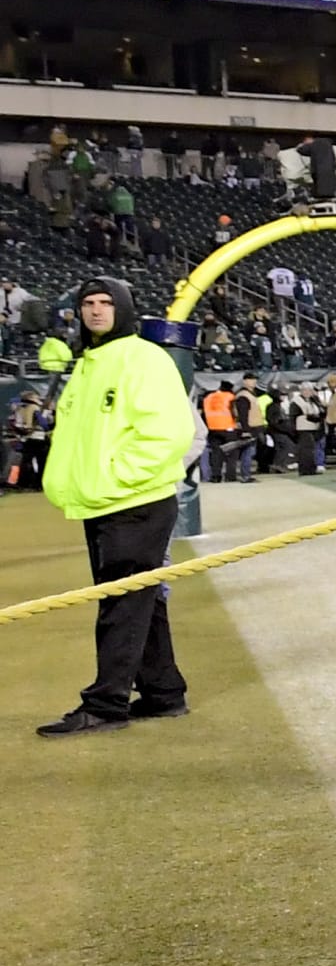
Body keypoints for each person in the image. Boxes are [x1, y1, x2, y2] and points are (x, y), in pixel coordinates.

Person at [36, 275, 193, 737]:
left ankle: (105, 704)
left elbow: (167, 433)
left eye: (106, 302)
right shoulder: (90, 362)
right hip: (104, 500)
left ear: (123, 308)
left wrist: (114, 476)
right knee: (139, 600)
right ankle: (165, 693)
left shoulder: (145, 357)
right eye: (89, 302)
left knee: (121, 603)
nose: (97, 310)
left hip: (135, 499)